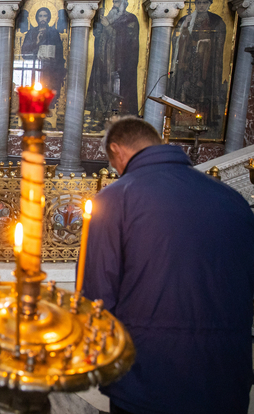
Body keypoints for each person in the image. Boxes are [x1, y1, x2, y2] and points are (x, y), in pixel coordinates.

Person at [82, 116, 254, 414]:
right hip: (225, 376)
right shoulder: (233, 199)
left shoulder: (115, 199)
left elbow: (98, 299)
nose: (116, 172)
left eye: (114, 165)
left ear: (117, 151)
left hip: (147, 379)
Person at [168, 0, 227, 128]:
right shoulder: (186, 20)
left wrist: (206, 43)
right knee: (185, 84)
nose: (201, 6)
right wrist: (184, 27)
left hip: (206, 61)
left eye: (204, 3)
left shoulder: (215, 21)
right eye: (199, 3)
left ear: (209, 4)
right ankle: (181, 115)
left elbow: (219, 42)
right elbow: (177, 40)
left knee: (203, 87)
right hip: (187, 59)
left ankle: (204, 118)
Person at [86, 0, 140, 117]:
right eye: (114, 2)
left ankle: (117, 114)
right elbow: (97, 35)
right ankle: (100, 113)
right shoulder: (110, 17)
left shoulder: (130, 19)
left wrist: (108, 27)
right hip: (104, 60)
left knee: (116, 88)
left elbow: (126, 40)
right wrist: (99, 20)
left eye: (117, 2)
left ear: (124, 4)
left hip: (120, 62)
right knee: (102, 85)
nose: (114, 5)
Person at [20, 7, 67, 95]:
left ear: (48, 18)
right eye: (40, 16)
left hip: (50, 70)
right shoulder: (31, 32)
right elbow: (24, 52)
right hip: (34, 67)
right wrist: (36, 42)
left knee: (48, 94)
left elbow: (59, 53)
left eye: (45, 16)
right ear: (37, 18)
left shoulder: (54, 33)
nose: (42, 18)